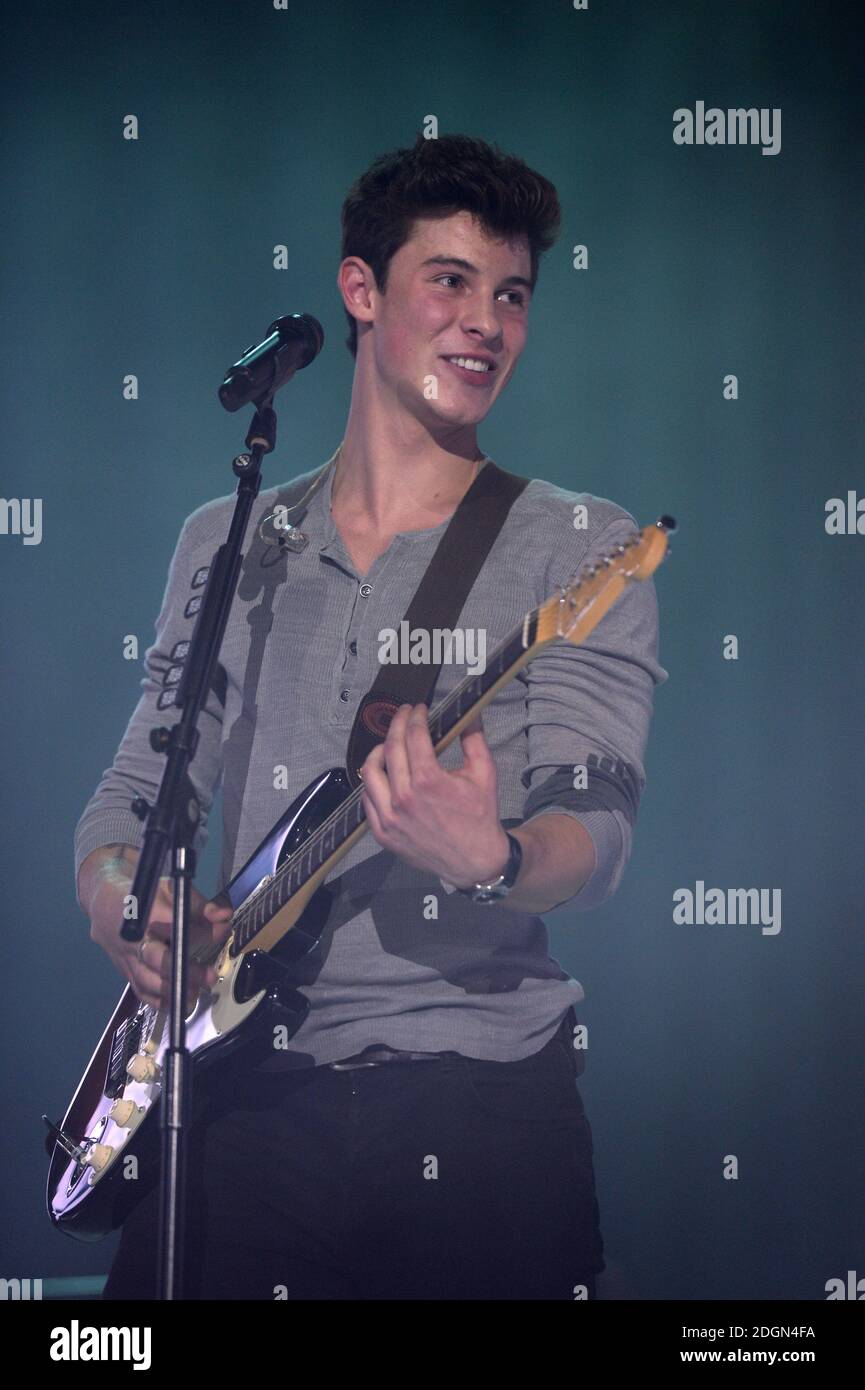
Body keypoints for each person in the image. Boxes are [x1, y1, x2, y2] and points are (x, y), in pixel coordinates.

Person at [76, 133, 668, 1300]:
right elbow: (136, 796)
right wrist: (117, 899)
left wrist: (494, 858)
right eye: (447, 281)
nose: (484, 324)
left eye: (510, 295)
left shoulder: (578, 546)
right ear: (360, 290)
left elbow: (595, 831)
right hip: (232, 1100)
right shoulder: (227, 537)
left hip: (475, 1100)